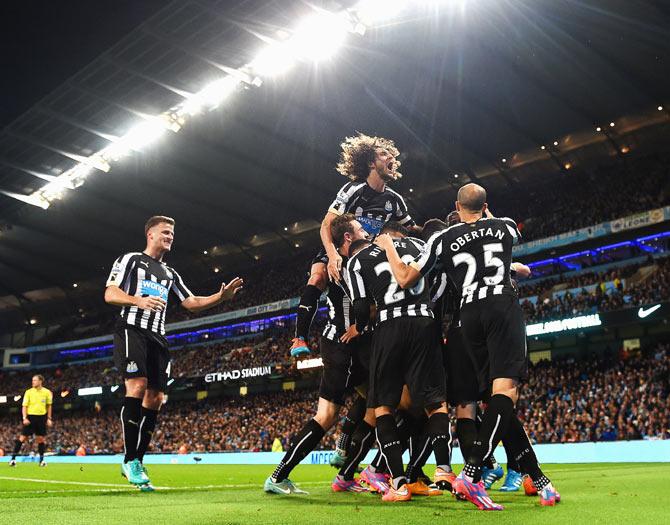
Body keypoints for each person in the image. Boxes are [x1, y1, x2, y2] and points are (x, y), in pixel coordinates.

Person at [377, 183, 560, 509]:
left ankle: (539, 478)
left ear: (457, 207)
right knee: (506, 393)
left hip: (466, 318)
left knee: (490, 401)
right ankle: (473, 472)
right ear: (485, 205)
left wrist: (390, 247)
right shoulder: (503, 226)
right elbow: (510, 250)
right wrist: (485, 217)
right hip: (500, 308)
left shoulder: (441, 239)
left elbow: (405, 278)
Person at [104, 215, 243, 490]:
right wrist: (138, 301)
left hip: (159, 337)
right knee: (137, 385)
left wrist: (220, 298)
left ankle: (138, 461)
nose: (170, 237)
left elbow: (190, 302)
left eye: (172, 234)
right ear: (150, 235)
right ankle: (129, 459)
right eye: (165, 232)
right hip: (132, 328)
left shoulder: (170, 273)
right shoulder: (130, 259)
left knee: (156, 398)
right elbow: (110, 293)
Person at [264, 214, 371, 495]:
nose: (366, 232)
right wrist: (300, 334)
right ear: (347, 236)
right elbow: (312, 291)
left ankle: (346, 461)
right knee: (327, 415)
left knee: (376, 400)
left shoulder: (354, 258)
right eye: (361, 229)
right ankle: (278, 476)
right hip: (342, 344)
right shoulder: (335, 263)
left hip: (354, 345)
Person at [343, 232, 453, 503]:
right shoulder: (421, 245)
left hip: (388, 326)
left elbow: (359, 305)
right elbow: (439, 283)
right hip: (424, 324)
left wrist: (364, 326)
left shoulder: (357, 260)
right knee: (435, 403)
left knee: (383, 407)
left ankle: (399, 483)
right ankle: (444, 468)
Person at [289, 133, 415, 357]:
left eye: (391, 154)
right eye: (384, 154)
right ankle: (300, 337)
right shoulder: (353, 189)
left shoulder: (395, 200)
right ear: (370, 163)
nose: (391, 158)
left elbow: (412, 230)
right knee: (317, 277)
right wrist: (333, 255)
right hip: (340, 248)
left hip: (369, 256)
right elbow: (326, 224)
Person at [9, 374, 52, 467]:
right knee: (23, 438)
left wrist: (48, 418)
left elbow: (49, 406)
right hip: (30, 417)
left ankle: (41, 461)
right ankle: (13, 459)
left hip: (41, 417)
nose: (33, 382)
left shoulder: (47, 392)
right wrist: (24, 417)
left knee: (40, 439)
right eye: (33, 380)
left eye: (35, 380)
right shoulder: (28, 392)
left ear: (40, 381)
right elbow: (24, 406)